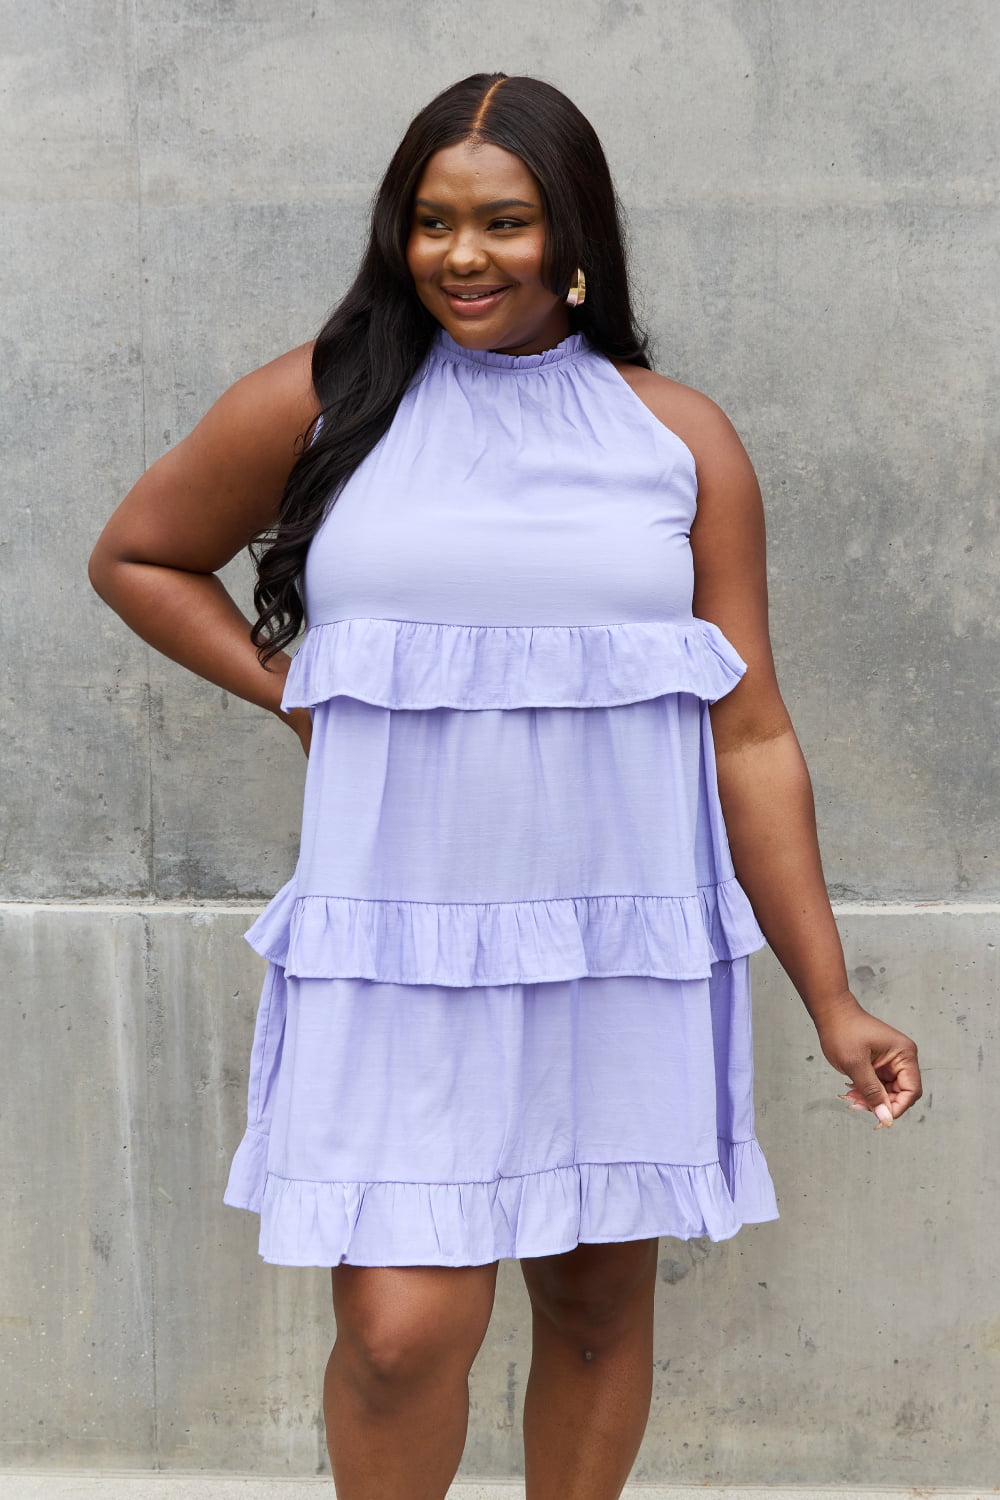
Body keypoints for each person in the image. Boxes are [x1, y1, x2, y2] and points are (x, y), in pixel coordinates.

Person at [89, 71, 921, 1500]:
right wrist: (296, 691)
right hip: (398, 949)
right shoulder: (323, 400)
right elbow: (139, 557)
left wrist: (831, 998)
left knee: (594, 1310)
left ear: (573, 234)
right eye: (432, 222)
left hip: (617, 942)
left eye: (504, 222)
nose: (462, 256)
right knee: (401, 1334)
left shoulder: (677, 436)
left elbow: (749, 734)